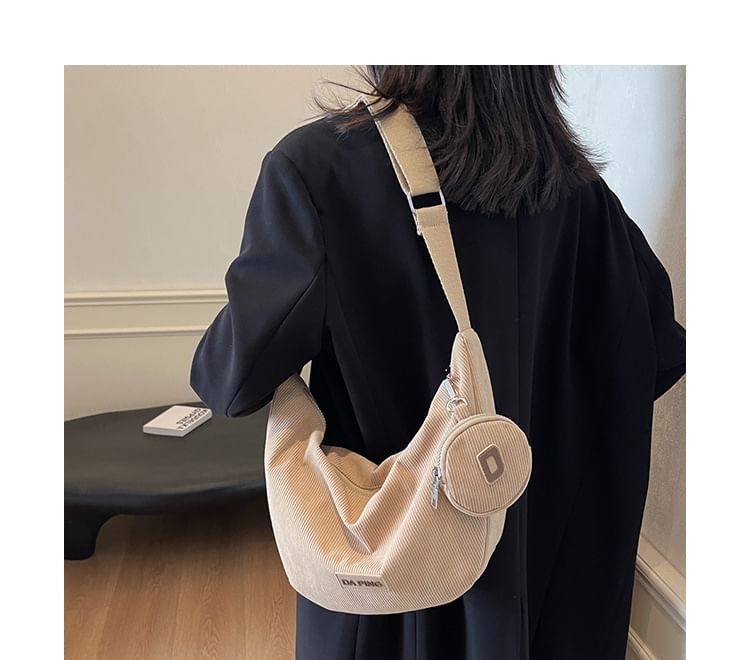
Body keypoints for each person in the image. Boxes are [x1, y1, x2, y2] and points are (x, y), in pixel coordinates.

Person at [190, 65, 686, 660]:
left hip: (395, 574)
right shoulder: (576, 190)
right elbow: (655, 352)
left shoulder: (318, 169)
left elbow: (232, 380)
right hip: (547, 581)